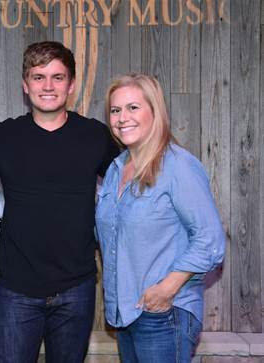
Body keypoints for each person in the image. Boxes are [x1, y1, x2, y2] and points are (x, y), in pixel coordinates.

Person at [0, 41, 118, 363]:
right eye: (38, 76)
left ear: (71, 85)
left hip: (77, 288)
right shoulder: (1, 138)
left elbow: (126, 190)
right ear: (25, 84)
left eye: (58, 77)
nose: (48, 86)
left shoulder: (95, 136)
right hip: (17, 289)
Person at [95, 74, 226, 362]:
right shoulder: (117, 168)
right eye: (115, 110)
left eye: (133, 108)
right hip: (127, 315)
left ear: (154, 111)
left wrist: (165, 290)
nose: (122, 118)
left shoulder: (177, 165)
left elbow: (211, 239)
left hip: (165, 314)